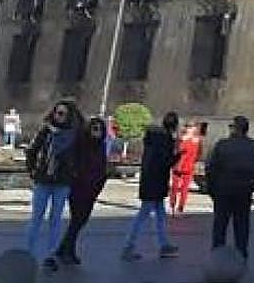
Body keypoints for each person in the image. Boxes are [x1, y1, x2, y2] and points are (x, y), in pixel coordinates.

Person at [24, 101, 81, 272]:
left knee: (55, 220)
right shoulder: (47, 131)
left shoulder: (74, 135)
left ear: (69, 115)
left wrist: (74, 173)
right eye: (57, 113)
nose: (58, 116)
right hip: (43, 180)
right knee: (36, 218)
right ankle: (28, 253)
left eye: (62, 114)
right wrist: (32, 170)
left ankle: (50, 255)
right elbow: (32, 150)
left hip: (62, 182)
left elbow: (79, 157)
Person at [206, 115, 254, 259]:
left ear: (234, 129)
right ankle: (241, 255)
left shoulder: (222, 145)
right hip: (244, 190)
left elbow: (211, 168)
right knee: (241, 225)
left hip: (223, 190)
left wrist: (212, 189)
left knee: (220, 225)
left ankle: (217, 254)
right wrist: (253, 186)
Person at [121, 111, 180, 261]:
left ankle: (164, 244)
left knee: (158, 214)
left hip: (149, 180)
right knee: (145, 215)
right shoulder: (166, 140)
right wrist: (177, 155)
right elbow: (165, 162)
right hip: (157, 182)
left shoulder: (152, 138)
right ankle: (129, 245)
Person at [55, 116, 109, 266]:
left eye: (99, 129)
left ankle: (63, 248)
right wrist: (75, 173)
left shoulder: (101, 146)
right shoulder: (82, 144)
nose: (96, 132)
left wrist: (102, 179)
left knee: (80, 221)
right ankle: (68, 251)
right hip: (79, 187)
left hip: (93, 188)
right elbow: (66, 157)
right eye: (94, 128)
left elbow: (102, 166)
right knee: (77, 219)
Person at [170, 121, 202, 215]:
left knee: (185, 188)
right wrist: (183, 141)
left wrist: (194, 162)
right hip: (178, 165)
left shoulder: (197, 141)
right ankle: (172, 206)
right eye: (188, 127)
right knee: (174, 188)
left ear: (195, 129)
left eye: (191, 127)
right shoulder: (181, 139)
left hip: (188, 166)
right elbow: (176, 151)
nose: (189, 129)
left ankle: (180, 208)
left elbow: (199, 154)